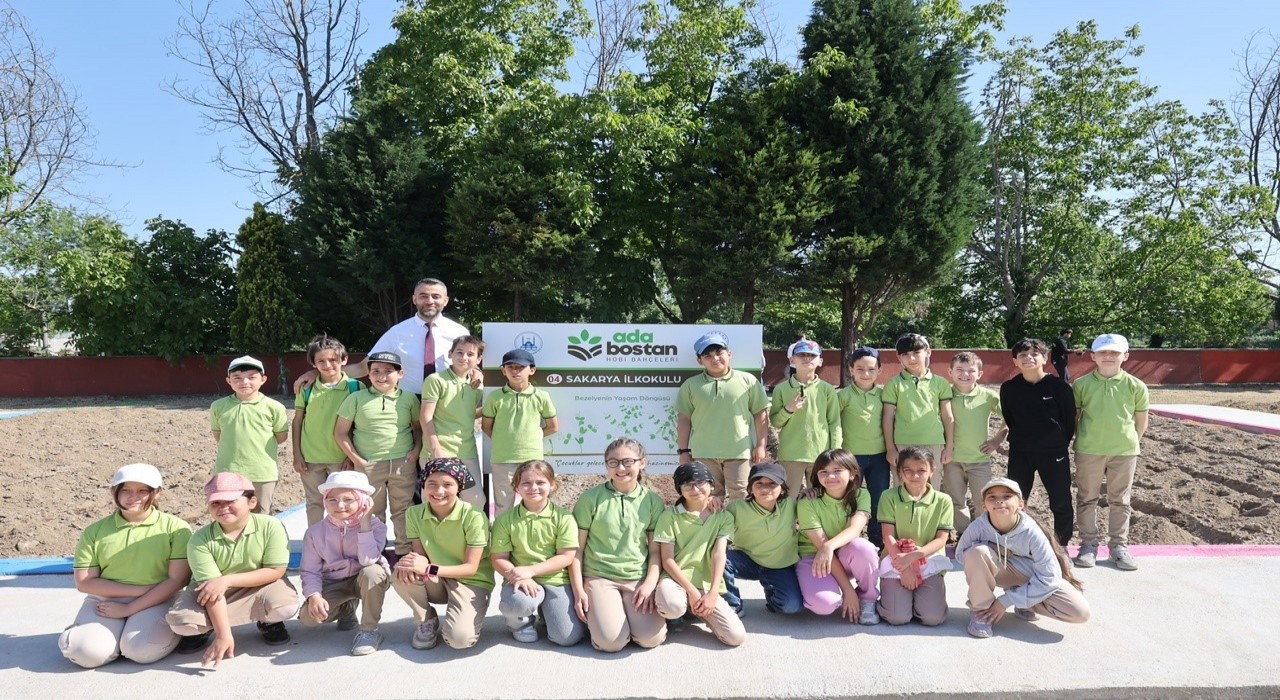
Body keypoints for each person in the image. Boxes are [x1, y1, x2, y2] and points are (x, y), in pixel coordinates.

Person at [60, 464, 192, 668]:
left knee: (140, 650)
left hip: (158, 599)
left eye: (142, 491)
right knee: (84, 652)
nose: (134, 497)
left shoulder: (177, 528)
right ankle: (103, 638)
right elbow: (85, 582)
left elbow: (177, 580)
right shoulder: (95, 531)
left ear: (157, 493)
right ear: (114, 492)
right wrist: (137, 591)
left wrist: (130, 607)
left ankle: (123, 638)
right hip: (106, 599)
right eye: (126, 490)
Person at [165, 473, 300, 667]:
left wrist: (226, 580)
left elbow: (275, 571)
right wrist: (223, 635)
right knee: (182, 624)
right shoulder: (199, 540)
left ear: (251, 501)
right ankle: (209, 628)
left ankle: (268, 622)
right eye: (216, 503)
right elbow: (211, 590)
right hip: (209, 592)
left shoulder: (271, 526)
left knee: (285, 606)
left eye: (230, 501)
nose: (223, 508)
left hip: (258, 585)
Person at [293, 278, 470, 397]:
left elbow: (469, 368)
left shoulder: (459, 333)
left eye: (436, 296)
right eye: (423, 296)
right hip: (408, 403)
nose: (430, 301)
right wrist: (317, 372)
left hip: (448, 402)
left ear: (445, 300)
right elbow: (363, 368)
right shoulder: (396, 332)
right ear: (414, 299)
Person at [958, 478, 1090, 639]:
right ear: (984, 505)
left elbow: (1049, 576)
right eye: (992, 497)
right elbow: (961, 555)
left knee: (1079, 612)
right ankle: (981, 613)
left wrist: (1005, 601)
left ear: (1021, 504)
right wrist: (991, 547)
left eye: (1007, 496)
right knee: (976, 552)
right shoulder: (978, 527)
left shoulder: (1030, 531)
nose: (999, 501)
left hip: (1031, 575)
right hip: (1002, 571)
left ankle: (1023, 601)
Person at [570, 438, 668, 653]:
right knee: (611, 643)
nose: (620, 468)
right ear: (606, 465)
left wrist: (650, 583)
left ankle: (618, 616)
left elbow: (654, 551)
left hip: (637, 578)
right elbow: (576, 552)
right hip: (600, 576)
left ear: (642, 463)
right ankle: (604, 620)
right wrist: (579, 592)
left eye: (627, 462)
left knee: (651, 639)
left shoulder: (653, 501)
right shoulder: (590, 499)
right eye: (613, 462)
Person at [391, 458, 495, 650]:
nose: (439, 491)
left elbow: (471, 568)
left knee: (459, 639)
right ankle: (426, 620)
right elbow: (420, 555)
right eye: (432, 484)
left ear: (459, 487)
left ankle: (464, 613)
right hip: (437, 579)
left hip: (471, 582)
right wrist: (412, 562)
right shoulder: (413, 513)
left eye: (448, 484)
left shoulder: (474, 516)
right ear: (423, 485)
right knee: (401, 572)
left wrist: (428, 567)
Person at [1072, 333, 1150, 571]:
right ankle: (1088, 546)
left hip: (1124, 452)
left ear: (1125, 356)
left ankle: (1118, 547)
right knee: (1086, 498)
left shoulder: (1136, 386)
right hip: (1089, 450)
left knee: (1121, 500)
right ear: (1093, 356)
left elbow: (1141, 421)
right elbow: (1075, 418)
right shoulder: (1081, 385)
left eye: (1114, 353)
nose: (1108, 356)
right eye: (1103, 352)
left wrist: (1130, 443)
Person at [334, 351, 422, 557]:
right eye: (376, 371)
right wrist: (357, 460)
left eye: (388, 371)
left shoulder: (409, 399)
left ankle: (404, 552)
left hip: (403, 463)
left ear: (400, 374)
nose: (381, 376)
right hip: (368, 465)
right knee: (371, 510)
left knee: (404, 509)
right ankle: (374, 552)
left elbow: (418, 428)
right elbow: (340, 432)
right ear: (368, 374)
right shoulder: (356, 399)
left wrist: (416, 450)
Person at [490, 460, 586, 646]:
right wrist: (519, 576)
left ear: (552, 485)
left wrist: (531, 570)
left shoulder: (564, 518)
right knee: (518, 602)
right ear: (516, 486)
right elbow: (498, 558)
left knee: (566, 638)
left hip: (555, 580)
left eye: (540, 482)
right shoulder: (505, 520)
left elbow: (566, 556)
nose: (533, 487)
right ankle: (519, 623)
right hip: (521, 580)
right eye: (526, 483)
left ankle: (545, 610)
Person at [298, 471, 390, 656]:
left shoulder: (376, 526)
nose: (340, 506)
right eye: (332, 499)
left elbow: (368, 560)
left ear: (363, 501)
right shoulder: (315, 532)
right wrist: (314, 596)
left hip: (363, 579)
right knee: (308, 618)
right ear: (324, 501)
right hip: (334, 583)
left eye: (348, 499)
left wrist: (365, 522)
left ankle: (369, 631)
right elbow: (310, 570)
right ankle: (347, 608)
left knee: (372, 572)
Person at [654, 461, 745, 647]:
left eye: (700, 482)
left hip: (704, 583)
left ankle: (692, 609)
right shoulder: (669, 516)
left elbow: (719, 554)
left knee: (735, 637)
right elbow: (667, 559)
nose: (694, 489)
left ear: (711, 484)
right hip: (675, 580)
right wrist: (692, 591)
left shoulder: (723, 517)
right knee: (673, 606)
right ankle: (678, 610)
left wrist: (712, 593)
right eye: (687, 484)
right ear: (679, 490)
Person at [1000, 338, 1077, 546]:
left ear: (1045, 358)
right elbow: (1010, 418)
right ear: (1015, 361)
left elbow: (1069, 422)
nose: (1028, 359)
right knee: (1016, 499)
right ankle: (1016, 543)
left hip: (1053, 453)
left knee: (1060, 500)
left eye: (1034, 354)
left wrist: (1056, 442)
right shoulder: (1009, 388)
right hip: (1020, 452)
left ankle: (1061, 545)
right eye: (1022, 355)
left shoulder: (1060, 388)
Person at [675, 331, 769, 500]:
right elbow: (684, 419)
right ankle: (715, 527)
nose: (715, 358)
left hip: (739, 453)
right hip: (704, 453)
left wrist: (761, 445)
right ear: (699, 360)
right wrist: (683, 451)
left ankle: (739, 528)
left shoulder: (748, 381)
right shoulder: (691, 385)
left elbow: (760, 413)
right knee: (709, 497)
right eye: (708, 355)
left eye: (719, 353)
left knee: (741, 497)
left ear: (729, 354)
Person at [795, 448, 881, 625]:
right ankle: (828, 588)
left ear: (852, 473)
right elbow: (821, 546)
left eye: (837, 471)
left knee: (863, 548)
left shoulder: (861, 495)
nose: (830, 477)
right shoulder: (808, 502)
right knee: (825, 605)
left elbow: (855, 529)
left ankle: (867, 599)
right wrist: (848, 590)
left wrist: (829, 546)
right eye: (824, 472)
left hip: (844, 554)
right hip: (815, 558)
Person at [875, 447, 953, 627]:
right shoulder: (889, 497)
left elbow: (941, 539)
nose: (915, 476)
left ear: (932, 470)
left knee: (933, 618)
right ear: (899, 471)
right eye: (908, 470)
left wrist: (915, 557)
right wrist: (905, 568)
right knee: (897, 618)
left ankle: (923, 600)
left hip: (928, 561)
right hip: (897, 561)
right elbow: (888, 537)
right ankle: (895, 601)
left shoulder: (943, 500)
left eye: (921, 470)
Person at [292, 334, 363, 525]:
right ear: (313, 364)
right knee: (314, 502)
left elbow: (360, 426)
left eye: (333, 360)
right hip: (310, 459)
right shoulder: (306, 389)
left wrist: (351, 456)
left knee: (344, 504)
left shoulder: (355, 387)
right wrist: (297, 455)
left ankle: (344, 543)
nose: (328, 365)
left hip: (342, 460)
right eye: (321, 361)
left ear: (344, 360)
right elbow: (297, 422)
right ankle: (316, 544)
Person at [481, 348, 559, 516]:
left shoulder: (541, 396)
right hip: (502, 460)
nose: (515, 371)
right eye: (510, 367)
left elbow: (553, 426)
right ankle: (501, 541)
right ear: (503, 371)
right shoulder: (495, 397)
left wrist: (532, 438)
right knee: (503, 507)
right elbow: (486, 426)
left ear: (531, 370)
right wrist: (505, 439)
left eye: (520, 367)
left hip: (533, 460)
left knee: (535, 503)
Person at [722, 462, 803, 616]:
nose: (765, 488)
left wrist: (813, 493)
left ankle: (772, 594)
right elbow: (718, 532)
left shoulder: (791, 506)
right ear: (750, 488)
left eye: (772, 483)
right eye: (759, 483)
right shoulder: (737, 508)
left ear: (783, 488)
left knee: (790, 606)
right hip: (748, 561)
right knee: (720, 559)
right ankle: (732, 604)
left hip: (780, 565)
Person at [210, 355, 288, 514]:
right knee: (229, 514)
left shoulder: (274, 407)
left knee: (260, 516)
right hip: (228, 471)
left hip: (262, 473)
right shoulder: (218, 406)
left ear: (263, 379)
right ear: (228, 380)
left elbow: (281, 437)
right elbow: (219, 435)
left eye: (251, 377)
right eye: (237, 378)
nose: (244, 382)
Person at [944, 351, 1007, 534]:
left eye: (971, 371)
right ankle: (964, 535)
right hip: (951, 460)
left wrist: (997, 440)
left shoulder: (988, 396)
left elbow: (1010, 418)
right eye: (959, 370)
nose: (965, 375)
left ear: (979, 374)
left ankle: (982, 534)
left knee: (984, 501)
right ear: (950, 372)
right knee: (956, 500)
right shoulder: (944, 394)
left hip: (979, 459)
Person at [421, 335, 487, 511]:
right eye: (459, 352)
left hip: (467, 450)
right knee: (434, 503)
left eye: (470, 354)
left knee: (475, 501)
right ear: (450, 354)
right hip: (437, 450)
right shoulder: (436, 380)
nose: (464, 357)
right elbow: (425, 416)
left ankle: (472, 539)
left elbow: (468, 414)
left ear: (478, 359)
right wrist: (435, 448)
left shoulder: (477, 385)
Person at [770, 339, 841, 493]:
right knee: (788, 498)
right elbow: (775, 422)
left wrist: (835, 451)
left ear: (820, 361)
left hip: (820, 453)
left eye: (812, 355)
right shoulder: (781, 389)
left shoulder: (827, 390)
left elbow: (834, 422)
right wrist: (788, 409)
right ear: (792, 360)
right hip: (791, 454)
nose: (807, 358)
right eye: (801, 355)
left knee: (820, 497)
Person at [837, 346, 891, 549]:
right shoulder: (842, 396)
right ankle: (851, 537)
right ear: (851, 369)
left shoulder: (884, 395)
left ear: (879, 370)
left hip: (879, 456)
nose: (865, 374)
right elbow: (834, 423)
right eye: (859, 369)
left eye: (871, 369)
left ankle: (877, 538)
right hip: (851, 457)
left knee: (879, 497)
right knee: (851, 497)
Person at [882, 333, 954, 478]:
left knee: (932, 487)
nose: (912, 358)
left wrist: (949, 446)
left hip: (934, 442)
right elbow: (888, 417)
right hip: (903, 443)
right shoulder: (893, 383)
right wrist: (890, 448)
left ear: (928, 352)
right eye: (905, 354)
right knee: (903, 486)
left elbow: (947, 416)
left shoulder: (940, 382)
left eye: (916, 353)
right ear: (899, 357)